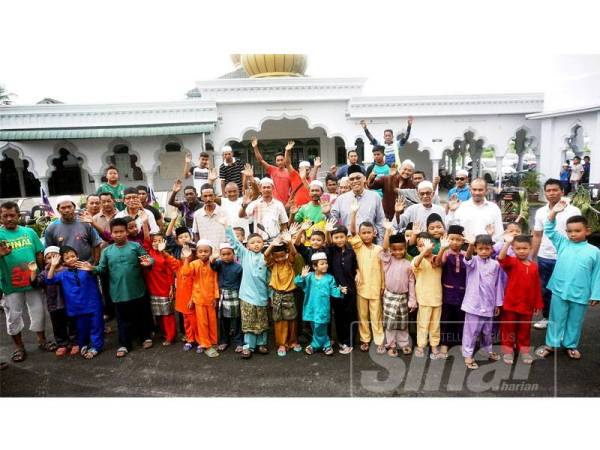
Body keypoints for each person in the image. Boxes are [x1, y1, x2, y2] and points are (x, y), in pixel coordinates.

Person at [79, 217, 154, 358]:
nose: (118, 234)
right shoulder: (107, 251)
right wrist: (91, 268)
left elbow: (148, 258)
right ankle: (124, 344)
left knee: (141, 316)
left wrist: (148, 262)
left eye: (121, 231)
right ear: (111, 234)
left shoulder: (135, 246)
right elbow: (101, 269)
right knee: (122, 320)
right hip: (118, 292)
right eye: (115, 232)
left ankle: (145, 337)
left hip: (138, 290)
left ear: (127, 232)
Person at [535, 203, 600, 361]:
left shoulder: (594, 251)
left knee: (575, 321)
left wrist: (596, 294)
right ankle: (551, 344)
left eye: (577, 231)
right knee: (556, 318)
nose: (573, 234)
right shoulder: (562, 243)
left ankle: (571, 345)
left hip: (581, 293)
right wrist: (553, 213)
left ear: (587, 231)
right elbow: (549, 230)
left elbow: (597, 274)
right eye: (569, 231)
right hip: (559, 290)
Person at [0, 201, 51, 363]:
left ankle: (42, 341)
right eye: (5, 216)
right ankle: (19, 347)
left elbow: (38, 254)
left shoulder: (29, 232)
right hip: (10, 284)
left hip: (33, 282)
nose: (9, 219)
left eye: (12, 215)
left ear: (18, 215)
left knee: (38, 312)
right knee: (13, 316)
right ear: (0, 217)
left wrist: (42, 274)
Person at [531, 179, 581, 329]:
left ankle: (565, 321)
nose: (552, 193)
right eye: (548, 190)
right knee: (546, 289)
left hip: (567, 257)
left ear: (562, 192)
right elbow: (537, 235)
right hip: (545, 257)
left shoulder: (573, 211)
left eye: (555, 190)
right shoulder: (540, 212)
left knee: (567, 290)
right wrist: (532, 257)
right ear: (545, 193)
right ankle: (547, 317)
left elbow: (578, 234)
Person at [46, 246, 104, 359]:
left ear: (77, 256)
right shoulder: (63, 274)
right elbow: (49, 280)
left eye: (73, 256)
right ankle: (84, 345)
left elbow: (100, 271)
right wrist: (53, 265)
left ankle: (96, 347)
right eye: (67, 258)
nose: (71, 259)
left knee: (96, 326)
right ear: (63, 261)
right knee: (81, 328)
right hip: (77, 307)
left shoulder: (85, 267)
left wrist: (92, 268)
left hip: (93, 303)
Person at [224, 220, 271, 359]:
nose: (256, 244)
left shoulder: (266, 258)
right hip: (247, 296)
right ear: (247, 245)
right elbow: (234, 242)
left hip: (262, 296)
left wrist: (270, 296)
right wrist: (226, 226)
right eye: (252, 242)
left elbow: (269, 279)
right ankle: (248, 346)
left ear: (263, 244)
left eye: (259, 242)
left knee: (262, 321)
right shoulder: (244, 254)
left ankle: (261, 344)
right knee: (249, 321)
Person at [497, 235, 543, 365]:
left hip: (527, 305)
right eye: (518, 248)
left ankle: (524, 350)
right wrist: (507, 243)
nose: (521, 251)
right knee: (508, 328)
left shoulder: (534, 266)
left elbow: (536, 286)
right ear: (513, 249)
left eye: (524, 248)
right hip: (511, 303)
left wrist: (538, 304)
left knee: (524, 329)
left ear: (530, 248)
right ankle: (508, 350)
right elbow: (501, 258)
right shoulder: (512, 262)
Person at [461, 234, 504, 370]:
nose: (484, 251)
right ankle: (468, 355)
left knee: (487, 331)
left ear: (492, 249)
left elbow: (498, 285)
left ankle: (487, 351)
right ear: (476, 249)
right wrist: (470, 245)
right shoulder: (473, 261)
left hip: (489, 304)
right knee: (471, 331)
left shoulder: (495, 264)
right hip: (474, 304)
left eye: (487, 248)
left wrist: (498, 303)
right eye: (480, 249)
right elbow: (467, 258)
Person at [348, 198, 385, 353]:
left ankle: (379, 339)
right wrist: (354, 213)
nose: (366, 235)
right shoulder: (358, 247)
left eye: (369, 232)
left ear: (374, 233)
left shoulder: (379, 249)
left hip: (376, 287)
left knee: (376, 315)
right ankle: (364, 339)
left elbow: (383, 270)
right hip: (361, 287)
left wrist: (383, 286)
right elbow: (353, 231)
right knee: (363, 315)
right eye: (364, 233)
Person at [294, 253, 345, 355]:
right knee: (314, 326)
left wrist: (341, 291)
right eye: (322, 264)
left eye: (326, 263)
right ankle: (324, 344)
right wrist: (302, 277)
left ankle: (319, 345)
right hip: (310, 307)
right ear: (314, 266)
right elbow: (298, 283)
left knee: (320, 326)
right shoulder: (309, 277)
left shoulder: (329, 278)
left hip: (323, 308)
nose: (325, 265)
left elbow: (334, 291)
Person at [30, 246, 76, 356]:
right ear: (45, 260)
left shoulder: (67, 269)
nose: (52, 259)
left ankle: (75, 342)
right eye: (48, 257)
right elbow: (36, 284)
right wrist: (32, 272)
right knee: (58, 325)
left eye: (54, 256)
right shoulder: (44, 273)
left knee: (72, 323)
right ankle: (62, 344)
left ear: (60, 257)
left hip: (69, 303)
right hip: (54, 304)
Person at [380, 222, 416, 357]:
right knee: (390, 323)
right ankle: (391, 344)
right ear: (391, 249)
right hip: (389, 296)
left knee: (402, 323)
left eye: (401, 249)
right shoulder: (388, 260)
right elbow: (384, 248)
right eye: (394, 249)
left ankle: (404, 343)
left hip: (403, 297)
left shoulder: (409, 264)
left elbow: (412, 282)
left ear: (405, 248)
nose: (398, 252)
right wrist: (388, 231)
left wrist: (412, 300)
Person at [265, 232, 302, 356]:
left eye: (282, 256)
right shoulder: (272, 265)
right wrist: (272, 245)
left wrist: (290, 242)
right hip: (277, 295)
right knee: (279, 320)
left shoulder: (289, 263)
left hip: (289, 294)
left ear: (286, 254)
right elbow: (266, 255)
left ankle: (292, 341)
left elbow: (294, 254)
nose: (280, 259)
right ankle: (282, 344)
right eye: (277, 256)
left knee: (292, 319)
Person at [182, 239, 220, 358]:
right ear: (196, 253)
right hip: (198, 299)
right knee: (202, 323)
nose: (203, 253)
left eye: (206, 251)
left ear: (210, 252)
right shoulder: (194, 264)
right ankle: (205, 345)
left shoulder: (213, 264)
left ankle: (213, 342)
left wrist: (216, 296)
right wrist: (187, 259)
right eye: (201, 251)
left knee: (213, 322)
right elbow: (186, 273)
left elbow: (215, 281)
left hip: (210, 299)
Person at [435, 225, 467, 357]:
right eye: (452, 239)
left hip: (462, 293)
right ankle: (444, 344)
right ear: (447, 239)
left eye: (458, 239)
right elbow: (438, 263)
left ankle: (460, 341)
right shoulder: (446, 253)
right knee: (446, 319)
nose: (454, 242)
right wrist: (442, 248)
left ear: (463, 241)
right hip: (448, 293)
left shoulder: (466, 254)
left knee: (461, 318)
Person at [331, 165, 385, 243]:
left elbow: (380, 222)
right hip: (349, 243)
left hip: (370, 243)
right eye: (352, 179)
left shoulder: (374, 196)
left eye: (358, 178)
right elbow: (332, 221)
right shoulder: (341, 199)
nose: (355, 181)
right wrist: (326, 213)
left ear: (364, 179)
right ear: (348, 182)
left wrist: (380, 245)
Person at [327, 225, 358, 354]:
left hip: (350, 289)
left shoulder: (351, 252)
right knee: (339, 317)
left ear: (346, 237)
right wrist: (327, 231)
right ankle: (341, 340)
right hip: (336, 290)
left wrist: (358, 271)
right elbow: (327, 244)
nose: (339, 240)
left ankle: (349, 342)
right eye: (336, 237)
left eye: (341, 237)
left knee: (350, 315)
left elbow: (356, 266)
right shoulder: (331, 251)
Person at [143, 233, 179, 346]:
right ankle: (163, 332)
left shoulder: (165, 255)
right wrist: (144, 222)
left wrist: (171, 288)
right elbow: (146, 239)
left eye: (159, 241)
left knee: (167, 314)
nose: (156, 243)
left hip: (164, 288)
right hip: (152, 288)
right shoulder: (149, 252)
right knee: (158, 314)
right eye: (154, 241)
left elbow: (170, 273)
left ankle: (171, 336)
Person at [44, 196, 102, 264]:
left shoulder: (85, 223)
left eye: (69, 207)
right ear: (58, 210)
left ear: (74, 207)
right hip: (64, 269)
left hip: (86, 266)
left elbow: (96, 245)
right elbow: (49, 252)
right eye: (63, 208)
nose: (67, 210)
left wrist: (95, 264)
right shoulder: (51, 228)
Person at [411, 233, 443, 359]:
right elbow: (416, 263)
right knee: (423, 324)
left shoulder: (437, 258)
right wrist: (423, 251)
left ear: (432, 245)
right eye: (420, 246)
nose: (423, 248)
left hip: (437, 298)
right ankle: (421, 345)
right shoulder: (417, 259)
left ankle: (434, 345)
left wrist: (443, 248)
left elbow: (438, 262)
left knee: (435, 325)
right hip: (424, 298)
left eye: (426, 245)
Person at [210, 243, 244, 353]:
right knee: (223, 319)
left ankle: (239, 342)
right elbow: (212, 266)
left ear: (233, 254)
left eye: (228, 254)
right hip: (222, 294)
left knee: (238, 319)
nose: (226, 256)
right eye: (223, 254)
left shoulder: (238, 267)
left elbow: (241, 282)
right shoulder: (219, 264)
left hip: (235, 293)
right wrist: (213, 259)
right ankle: (224, 340)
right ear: (220, 255)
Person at [240, 177, 288, 243]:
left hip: (275, 241)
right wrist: (244, 206)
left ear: (273, 188)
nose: (266, 189)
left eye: (268, 187)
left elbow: (284, 224)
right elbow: (242, 215)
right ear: (260, 189)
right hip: (259, 242)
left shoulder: (279, 204)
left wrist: (283, 239)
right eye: (264, 187)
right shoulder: (255, 204)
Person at [252, 136, 291, 204]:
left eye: (282, 160)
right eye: (278, 160)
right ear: (275, 162)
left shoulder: (290, 172)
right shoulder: (272, 170)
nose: (280, 162)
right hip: (273, 202)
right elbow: (260, 160)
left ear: (285, 160)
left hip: (286, 203)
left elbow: (293, 189)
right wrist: (255, 147)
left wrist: (289, 202)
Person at [174, 241, 197, 351]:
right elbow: (169, 260)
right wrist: (163, 252)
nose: (185, 256)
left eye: (188, 254)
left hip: (191, 301)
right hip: (182, 301)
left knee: (194, 323)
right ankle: (190, 339)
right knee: (186, 322)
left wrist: (192, 299)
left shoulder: (194, 267)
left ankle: (199, 340)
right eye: (183, 253)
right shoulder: (179, 265)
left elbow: (197, 286)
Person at [191, 184, 227, 249]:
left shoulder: (224, 212)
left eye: (210, 195)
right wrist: (199, 248)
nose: (208, 199)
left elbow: (229, 232)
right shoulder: (197, 214)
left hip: (222, 253)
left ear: (215, 196)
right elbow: (196, 233)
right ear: (201, 198)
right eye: (205, 196)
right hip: (206, 254)